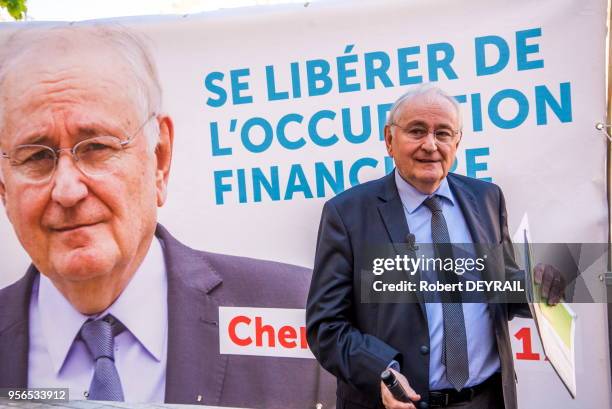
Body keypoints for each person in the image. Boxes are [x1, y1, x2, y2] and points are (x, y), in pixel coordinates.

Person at [0, 24, 333, 408]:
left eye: (96, 147)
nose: (68, 190)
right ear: (4, 186)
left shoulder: (302, 313)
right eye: (36, 156)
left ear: (159, 158)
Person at [306, 84, 565, 409]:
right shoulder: (347, 215)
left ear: (457, 141)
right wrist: (381, 372)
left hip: (486, 399)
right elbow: (326, 328)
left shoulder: (487, 199)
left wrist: (537, 289)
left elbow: (500, 287)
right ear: (389, 140)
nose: (430, 145)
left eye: (443, 133)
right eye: (416, 131)